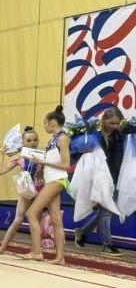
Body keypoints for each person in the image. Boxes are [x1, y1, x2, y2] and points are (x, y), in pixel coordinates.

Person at [74, 107, 125, 256]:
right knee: (106, 211)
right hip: (100, 177)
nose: (115, 126)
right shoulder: (94, 135)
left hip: (116, 176)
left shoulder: (120, 135)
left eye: (117, 123)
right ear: (104, 121)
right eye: (112, 123)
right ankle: (107, 245)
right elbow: (82, 155)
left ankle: (82, 232)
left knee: (106, 210)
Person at [24, 105, 71, 263]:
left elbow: (66, 165)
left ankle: (37, 252)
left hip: (58, 179)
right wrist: (41, 169)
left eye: (45, 123)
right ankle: (60, 257)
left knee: (31, 213)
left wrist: (43, 162)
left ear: (52, 123)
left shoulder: (62, 138)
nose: (44, 126)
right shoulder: (52, 139)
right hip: (51, 179)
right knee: (56, 219)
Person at [0, 126, 44, 256]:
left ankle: (35, 251)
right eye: (29, 140)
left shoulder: (42, 156)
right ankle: (2, 248)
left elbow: (44, 174)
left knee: (35, 222)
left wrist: (42, 166)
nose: (32, 143)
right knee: (18, 220)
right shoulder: (20, 158)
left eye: (35, 140)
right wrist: (2, 155)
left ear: (38, 140)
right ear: (23, 143)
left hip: (40, 191)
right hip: (26, 191)